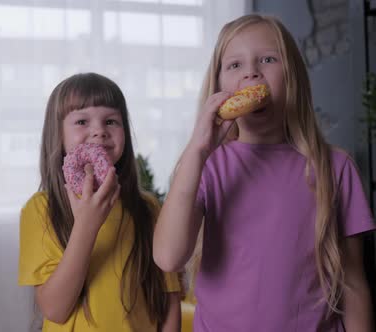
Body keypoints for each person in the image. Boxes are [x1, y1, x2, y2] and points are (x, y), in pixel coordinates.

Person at [153, 14, 376, 331]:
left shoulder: (335, 167)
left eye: (268, 59)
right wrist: (197, 151)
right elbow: (168, 257)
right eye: (234, 66)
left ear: (293, 76)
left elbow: (354, 286)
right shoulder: (206, 166)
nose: (251, 73)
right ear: (218, 87)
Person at [18, 72, 182, 331]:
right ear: (57, 135)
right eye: (82, 121)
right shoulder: (40, 209)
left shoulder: (147, 209)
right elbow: (55, 310)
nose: (99, 131)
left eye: (111, 121)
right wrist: (87, 225)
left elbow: (169, 297)